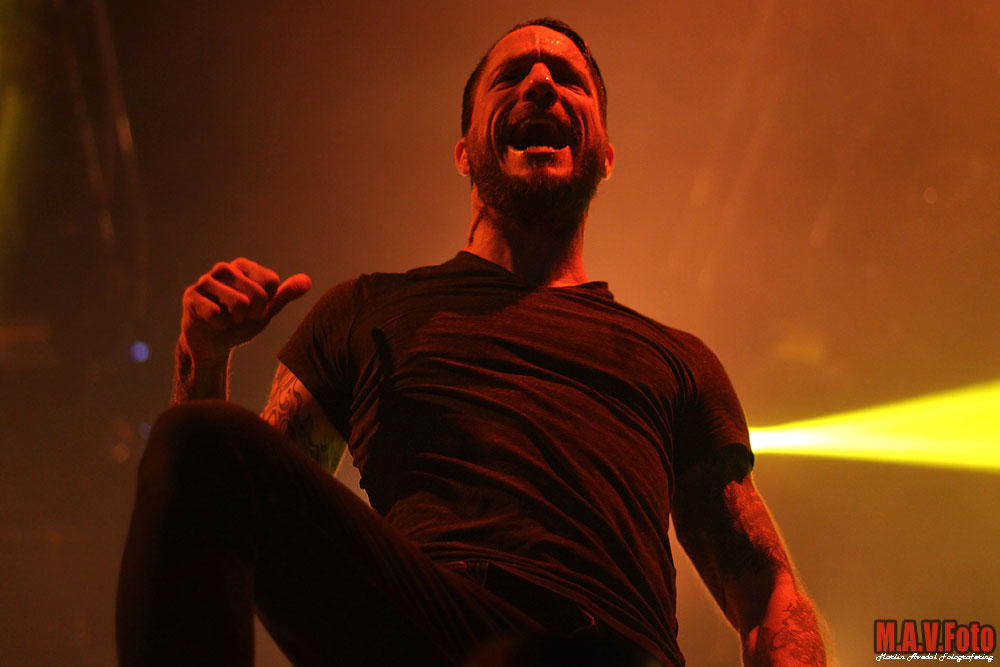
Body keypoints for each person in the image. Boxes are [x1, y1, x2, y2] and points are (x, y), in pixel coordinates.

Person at [116, 17, 827, 667]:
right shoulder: (366, 310)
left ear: (606, 155)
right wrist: (204, 358)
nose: (541, 82)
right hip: (433, 631)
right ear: (464, 152)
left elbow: (767, 590)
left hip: (606, 651)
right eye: (510, 76)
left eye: (568, 77)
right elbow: (230, 502)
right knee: (200, 437)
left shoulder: (676, 359)